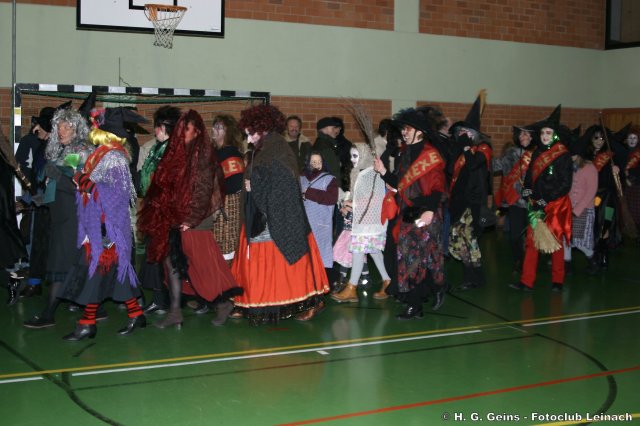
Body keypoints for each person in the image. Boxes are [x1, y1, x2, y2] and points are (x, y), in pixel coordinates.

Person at [138, 110, 241, 328]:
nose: (183, 132)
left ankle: (223, 303)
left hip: (196, 219)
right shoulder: (178, 151)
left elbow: (204, 189)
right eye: (181, 128)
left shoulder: (202, 154)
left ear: (197, 131)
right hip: (174, 216)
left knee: (202, 264)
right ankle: (175, 311)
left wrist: (191, 219)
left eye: (188, 128)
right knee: (171, 262)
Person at [231, 104, 328, 325]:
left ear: (263, 129)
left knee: (290, 267)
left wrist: (255, 185)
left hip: (281, 218)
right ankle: (253, 302)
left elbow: (285, 184)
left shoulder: (278, 148)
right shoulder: (261, 149)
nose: (248, 139)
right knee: (260, 266)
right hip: (259, 217)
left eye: (251, 133)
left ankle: (311, 302)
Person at [59, 107, 148, 341]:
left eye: (95, 125)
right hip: (99, 222)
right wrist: (79, 177)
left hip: (108, 226)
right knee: (113, 273)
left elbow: (116, 195)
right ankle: (135, 314)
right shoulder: (102, 153)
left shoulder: (115, 157)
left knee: (95, 272)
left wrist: (85, 182)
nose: (92, 128)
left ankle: (87, 323)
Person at [374, 106, 448, 319]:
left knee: (421, 258)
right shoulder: (406, 152)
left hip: (426, 213)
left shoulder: (430, 155)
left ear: (419, 132)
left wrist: (430, 211)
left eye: (408, 129)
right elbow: (400, 183)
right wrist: (383, 172)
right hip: (408, 213)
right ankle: (421, 299)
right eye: (404, 129)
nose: (404, 132)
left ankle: (421, 299)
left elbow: (438, 187)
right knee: (410, 257)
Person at [23, 108, 94, 328]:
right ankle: (95, 307)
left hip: (73, 216)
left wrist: (58, 179)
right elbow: (58, 184)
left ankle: (48, 314)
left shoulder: (80, 151)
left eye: (66, 127)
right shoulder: (61, 149)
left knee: (61, 264)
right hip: (60, 215)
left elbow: (81, 187)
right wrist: (44, 198)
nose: (61, 130)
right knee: (73, 263)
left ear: (76, 129)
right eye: (59, 127)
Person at [510, 105, 573, 292]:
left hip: (555, 205)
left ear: (555, 135)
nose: (545, 136)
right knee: (532, 242)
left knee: (555, 243)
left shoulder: (563, 155)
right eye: (543, 132)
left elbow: (565, 184)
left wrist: (547, 199)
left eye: (548, 132)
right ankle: (526, 282)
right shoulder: (537, 152)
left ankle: (557, 280)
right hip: (536, 204)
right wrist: (527, 190)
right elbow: (530, 176)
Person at [332, 143, 391, 303]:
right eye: (351, 156)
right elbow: (357, 196)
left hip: (370, 222)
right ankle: (387, 280)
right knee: (374, 251)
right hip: (363, 221)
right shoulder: (357, 172)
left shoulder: (372, 173)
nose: (352, 159)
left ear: (364, 155)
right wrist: (348, 204)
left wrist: (353, 205)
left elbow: (375, 199)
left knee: (358, 250)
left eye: (356, 155)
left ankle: (351, 288)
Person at [137, 105, 182, 316]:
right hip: (157, 209)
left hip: (164, 211)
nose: (155, 131)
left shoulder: (169, 151)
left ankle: (168, 303)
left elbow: (160, 182)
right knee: (158, 256)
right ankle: (161, 300)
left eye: (157, 127)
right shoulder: (160, 148)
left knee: (165, 257)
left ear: (164, 127)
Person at [448, 94, 493, 291]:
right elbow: (450, 170)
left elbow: (474, 165)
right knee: (458, 239)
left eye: (466, 131)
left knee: (469, 237)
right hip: (458, 200)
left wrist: (466, 148)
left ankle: (477, 275)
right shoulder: (460, 150)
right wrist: (458, 148)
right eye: (461, 131)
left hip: (473, 202)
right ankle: (469, 274)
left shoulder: (483, 148)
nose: (463, 134)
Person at [493, 126, 537, 275]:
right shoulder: (511, 153)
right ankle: (519, 260)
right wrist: (482, 155)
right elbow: (496, 165)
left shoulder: (538, 154)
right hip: (516, 201)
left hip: (533, 202)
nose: (523, 136)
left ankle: (531, 263)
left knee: (533, 236)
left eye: (526, 134)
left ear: (532, 137)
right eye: (521, 134)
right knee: (515, 236)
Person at [584, 124, 622, 268]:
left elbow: (619, 179)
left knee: (606, 224)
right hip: (592, 196)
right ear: (591, 139)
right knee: (593, 225)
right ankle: (594, 254)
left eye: (601, 138)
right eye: (596, 138)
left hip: (608, 196)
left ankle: (604, 254)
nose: (599, 141)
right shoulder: (586, 156)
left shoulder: (611, 156)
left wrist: (617, 171)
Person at [211, 114, 245, 264]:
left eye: (220, 127)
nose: (215, 129)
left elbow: (236, 185)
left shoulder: (230, 154)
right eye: (215, 126)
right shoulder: (214, 152)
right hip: (216, 207)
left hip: (227, 208)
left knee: (225, 250)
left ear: (228, 132)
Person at [300, 151, 338, 284]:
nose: (316, 165)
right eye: (313, 162)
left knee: (321, 256)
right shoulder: (301, 178)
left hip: (321, 225)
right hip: (304, 225)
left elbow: (331, 198)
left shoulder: (329, 179)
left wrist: (308, 193)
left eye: (319, 162)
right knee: (305, 257)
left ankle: (323, 284)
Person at [564, 132, 598, 275]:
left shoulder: (590, 168)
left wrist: (577, 210)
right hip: (568, 208)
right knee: (566, 238)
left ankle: (592, 260)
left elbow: (591, 192)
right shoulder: (568, 167)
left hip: (584, 210)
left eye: (572, 155)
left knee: (580, 242)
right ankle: (567, 265)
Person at [623, 125, 640, 239]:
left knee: (636, 211)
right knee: (626, 210)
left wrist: (632, 180)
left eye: (635, 138)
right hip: (625, 187)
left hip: (637, 187)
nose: (632, 140)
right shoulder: (623, 152)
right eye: (630, 138)